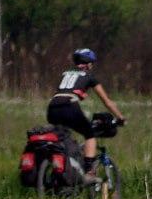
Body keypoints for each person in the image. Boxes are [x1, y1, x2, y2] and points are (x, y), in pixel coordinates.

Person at [46, 48, 125, 184]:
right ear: (88, 64)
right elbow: (107, 101)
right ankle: (89, 172)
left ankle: (63, 171)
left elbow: (63, 91)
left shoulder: (65, 73)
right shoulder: (89, 76)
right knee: (89, 134)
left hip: (52, 108)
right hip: (69, 106)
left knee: (64, 139)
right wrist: (120, 117)